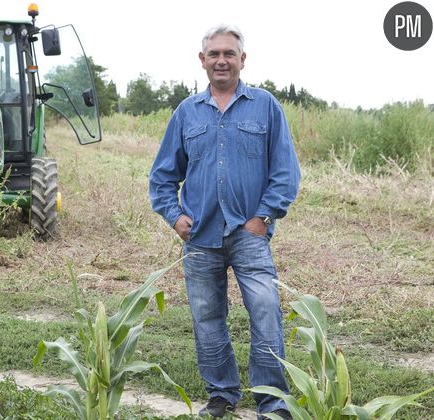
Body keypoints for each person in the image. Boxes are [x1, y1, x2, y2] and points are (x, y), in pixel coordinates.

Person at [149, 24, 300, 419]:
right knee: (207, 317)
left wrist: (263, 217)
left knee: (266, 311)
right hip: (199, 236)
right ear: (202, 61)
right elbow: (163, 176)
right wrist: (174, 216)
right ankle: (222, 395)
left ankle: (273, 401)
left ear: (242, 60)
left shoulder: (265, 105)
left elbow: (285, 171)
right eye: (214, 54)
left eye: (229, 54)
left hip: (250, 233)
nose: (221, 60)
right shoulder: (186, 113)